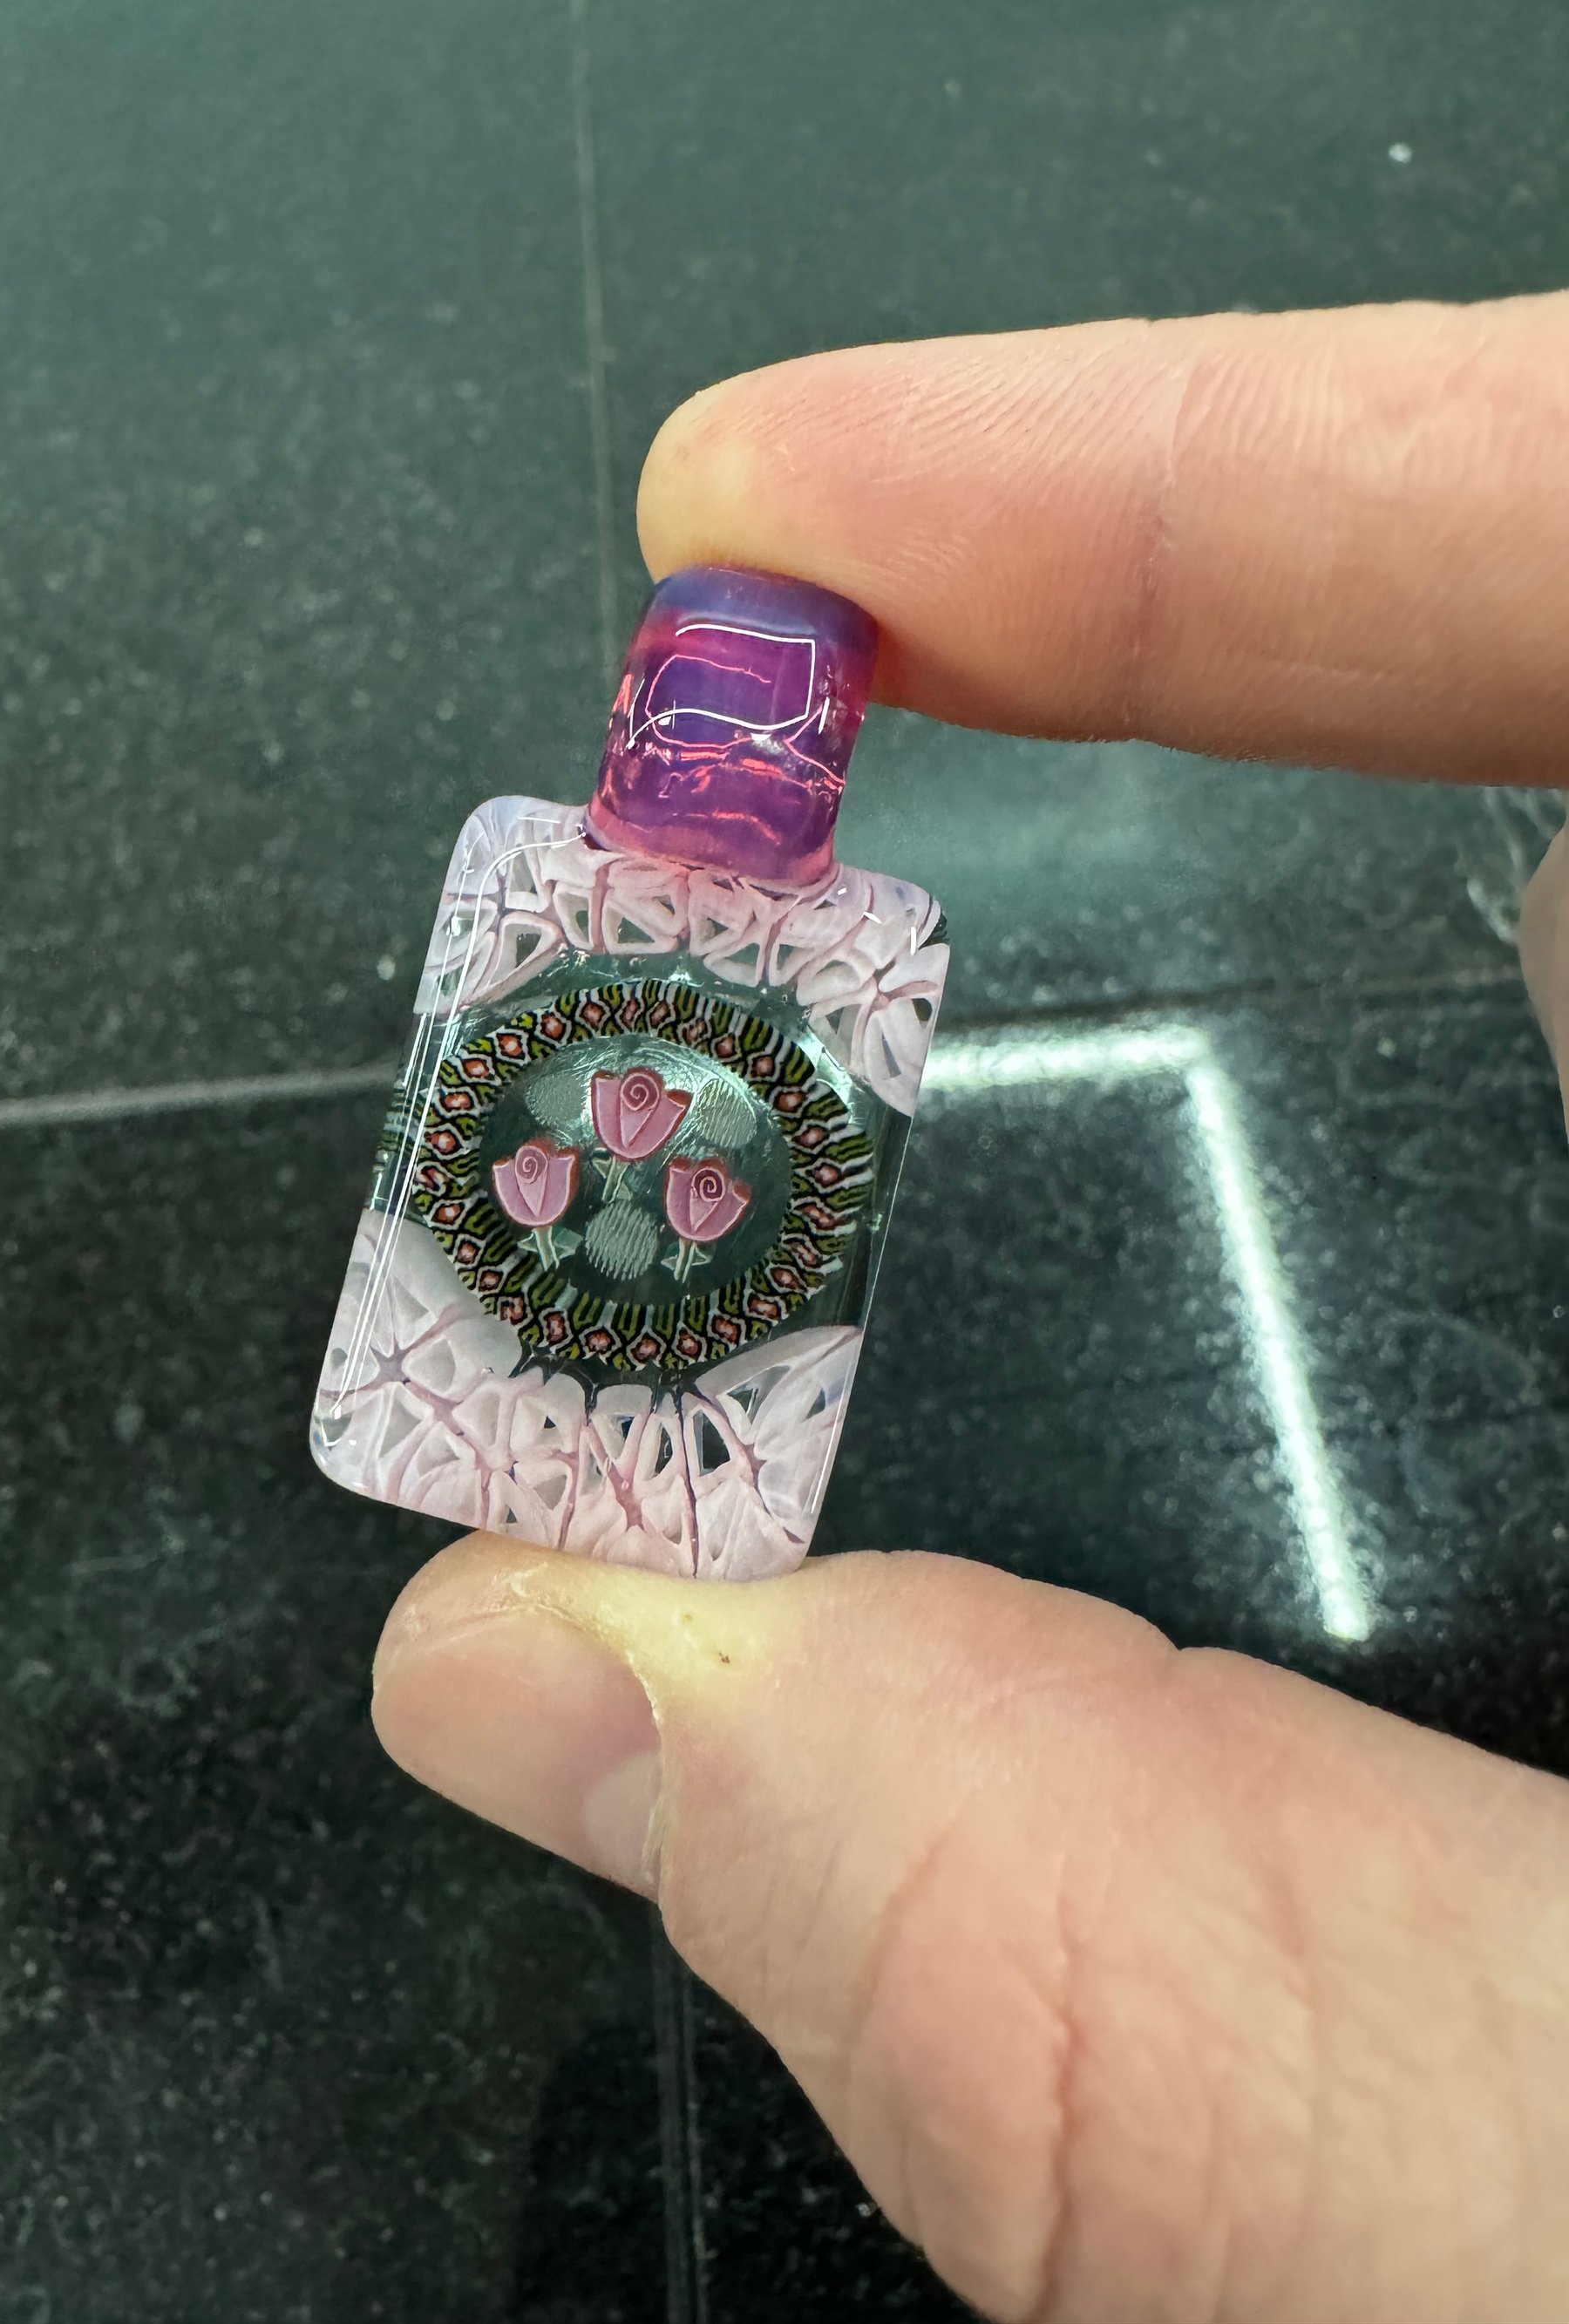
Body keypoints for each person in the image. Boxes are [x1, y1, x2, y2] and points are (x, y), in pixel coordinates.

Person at [371, 294, 1569, 2324]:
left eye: (762, 727)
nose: (727, 761)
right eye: (700, 715)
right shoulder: (539, 886)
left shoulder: (828, 950)